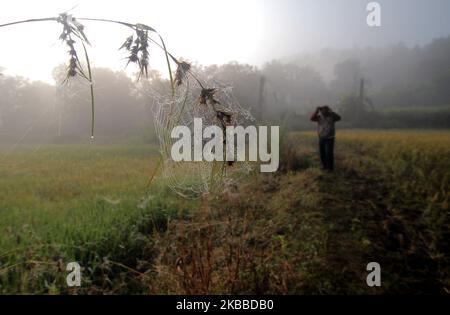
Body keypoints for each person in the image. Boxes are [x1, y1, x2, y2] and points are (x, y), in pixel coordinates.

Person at [310, 105, 341, 171]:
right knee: (322, 153)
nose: (322, 111)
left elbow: (339, 118)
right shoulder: (319, 117)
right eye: (321, 110)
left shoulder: (332, 117)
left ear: (327, 110)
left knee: (329, 153)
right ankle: (324, 166)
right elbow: (311, 119)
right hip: (321, 138)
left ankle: (330, 168)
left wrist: (331, 112)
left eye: (324, 110)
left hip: (329, 138)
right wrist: (316, 111)